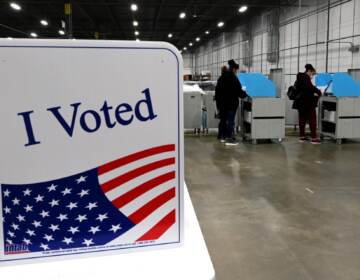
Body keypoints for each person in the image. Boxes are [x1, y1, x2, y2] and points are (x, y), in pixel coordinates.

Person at [215, 59, 247, 145]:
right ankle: (229, 137)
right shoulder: (234, 78)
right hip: (231, 104)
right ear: (233, 69)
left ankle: (222, 136)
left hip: (222, 104)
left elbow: (217, 92)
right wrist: (245, 94)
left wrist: (218, 104)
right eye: (236, 70)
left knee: (223, 120)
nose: (236, 72)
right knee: (230, 121)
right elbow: (239, 91)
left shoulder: (221, 78)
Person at [293, 64, 322, 144]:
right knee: (312, 119)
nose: (312, 76)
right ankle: (314, 139)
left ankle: (302, 137)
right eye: (312, 74)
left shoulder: (300, 77)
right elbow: (310, 87)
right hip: (308, 102)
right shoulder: (306, 77)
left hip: (300, 102)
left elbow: (304, 88)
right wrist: (319, 92)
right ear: (309, 71)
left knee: (302, 119)